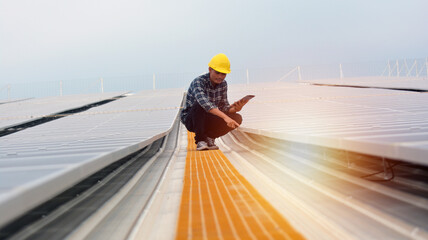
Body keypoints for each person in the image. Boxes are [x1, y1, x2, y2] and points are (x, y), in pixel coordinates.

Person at [180, 53, 246, 151]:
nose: (220, 76)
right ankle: (200, 140)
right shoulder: (198, 82)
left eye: (223, 74)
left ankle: (210, 137)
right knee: (199, 105)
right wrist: (225, 117)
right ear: (210, 69)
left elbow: (223, 106)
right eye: (217, 72)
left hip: (208, 118)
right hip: (192, 119)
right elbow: (204, 103)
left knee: (237, 118)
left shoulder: (223, 84)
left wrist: (235, 109)